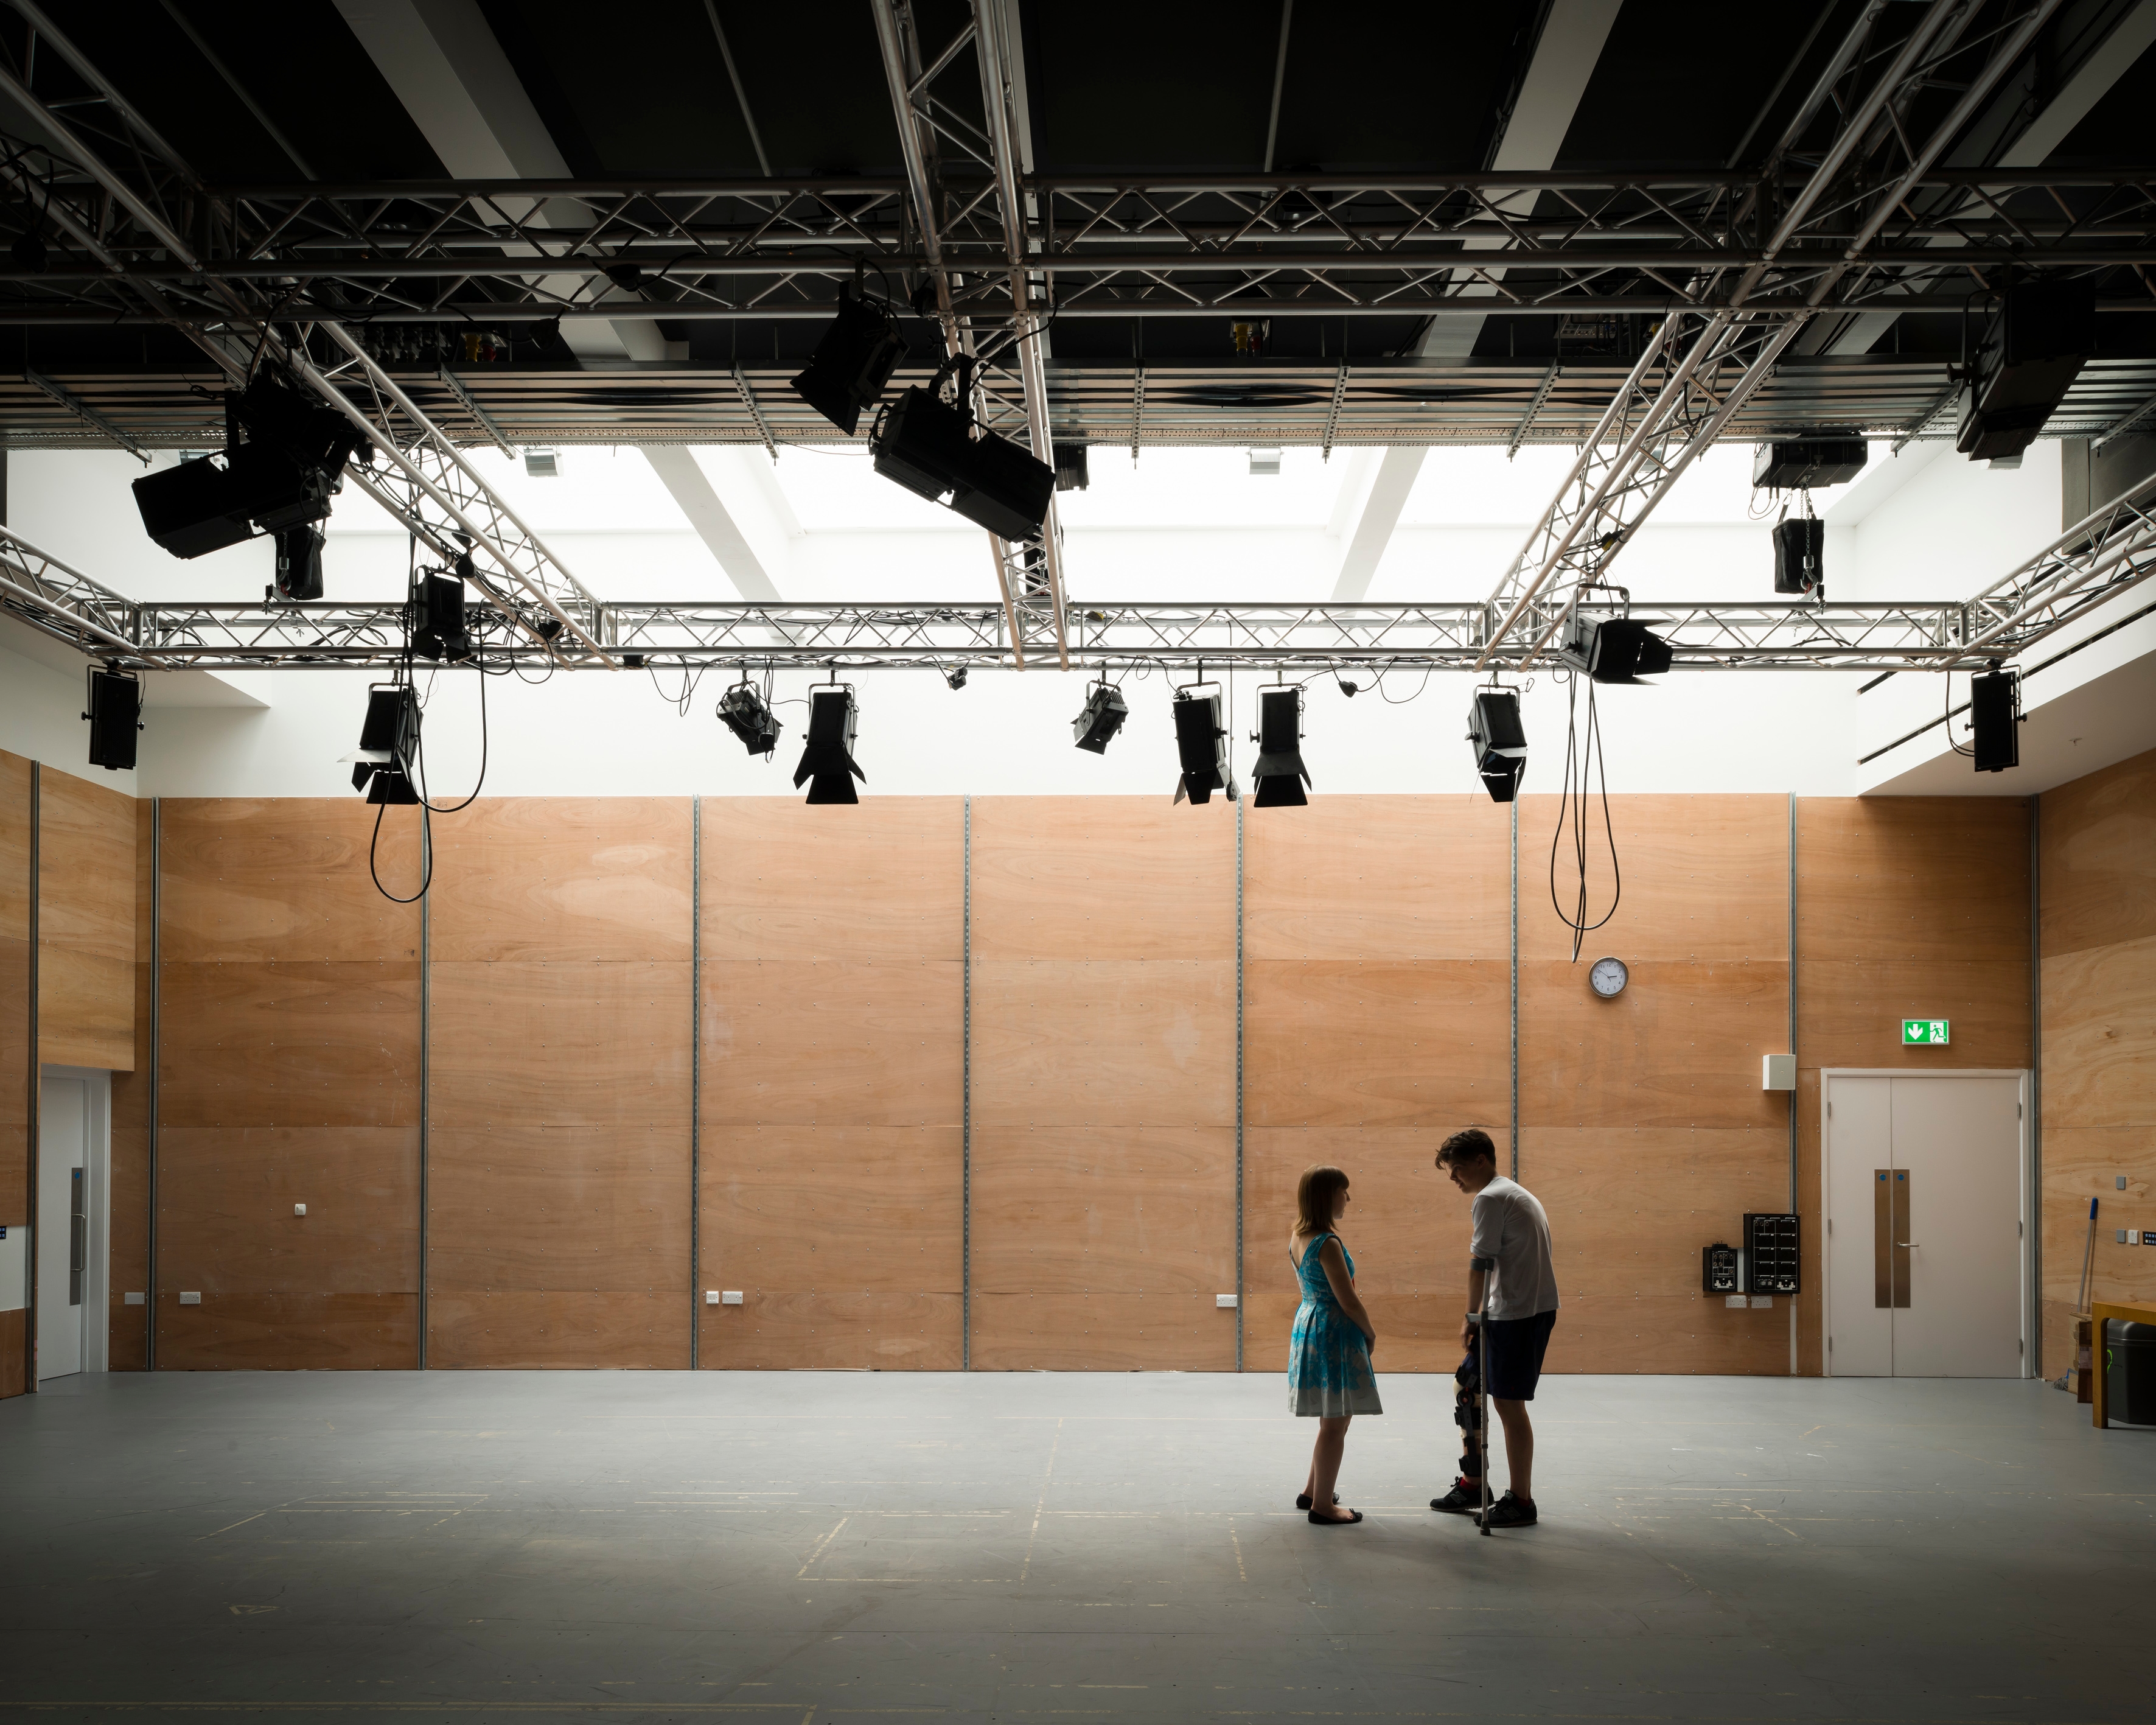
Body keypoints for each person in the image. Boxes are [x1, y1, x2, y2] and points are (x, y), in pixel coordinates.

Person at [1428, 1128, 1558, 1529]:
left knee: (1507, 1406)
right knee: (1467, 1389)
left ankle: (1521, 1500)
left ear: (1481, 1160)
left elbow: (1480, 1262)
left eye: (1457, 1168)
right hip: (1521, 1310)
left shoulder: (1490, 1198)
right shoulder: (1512, 1192)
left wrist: (1471, 1316)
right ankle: (1474, 1483)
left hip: (1515, 1316)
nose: (1453, 1177)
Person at [1286, 1163, 1380, 1525]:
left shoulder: (1298, 1236)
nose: (1348, 1198)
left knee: (1333, 1419)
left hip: (1310, 1324)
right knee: (1336, 1423)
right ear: (1328, 1196)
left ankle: (1313, 1491)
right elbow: (1349, 1301)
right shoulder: (1327, 1243)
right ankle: (1323, 1507)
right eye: (1344, 1191)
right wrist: (1370, 1332)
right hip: (1334, 1332)